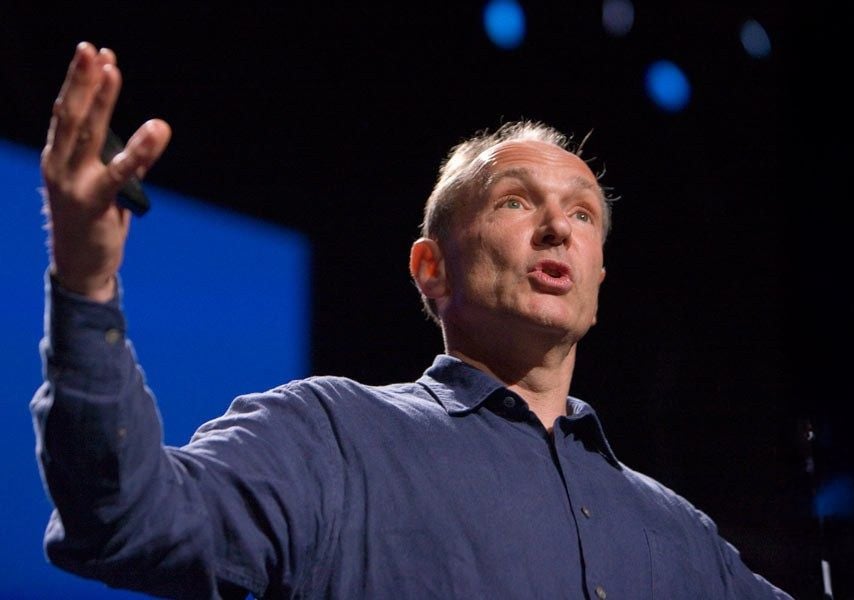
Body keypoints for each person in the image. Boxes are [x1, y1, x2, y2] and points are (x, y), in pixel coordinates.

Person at [32, 42, 792, 599]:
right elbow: (125, 518)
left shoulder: (683, 538)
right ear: (431, 269)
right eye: (516, 202)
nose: (558, 230)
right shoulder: (327, 438)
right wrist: (86, 279)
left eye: (583, 214)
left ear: (598, 277)